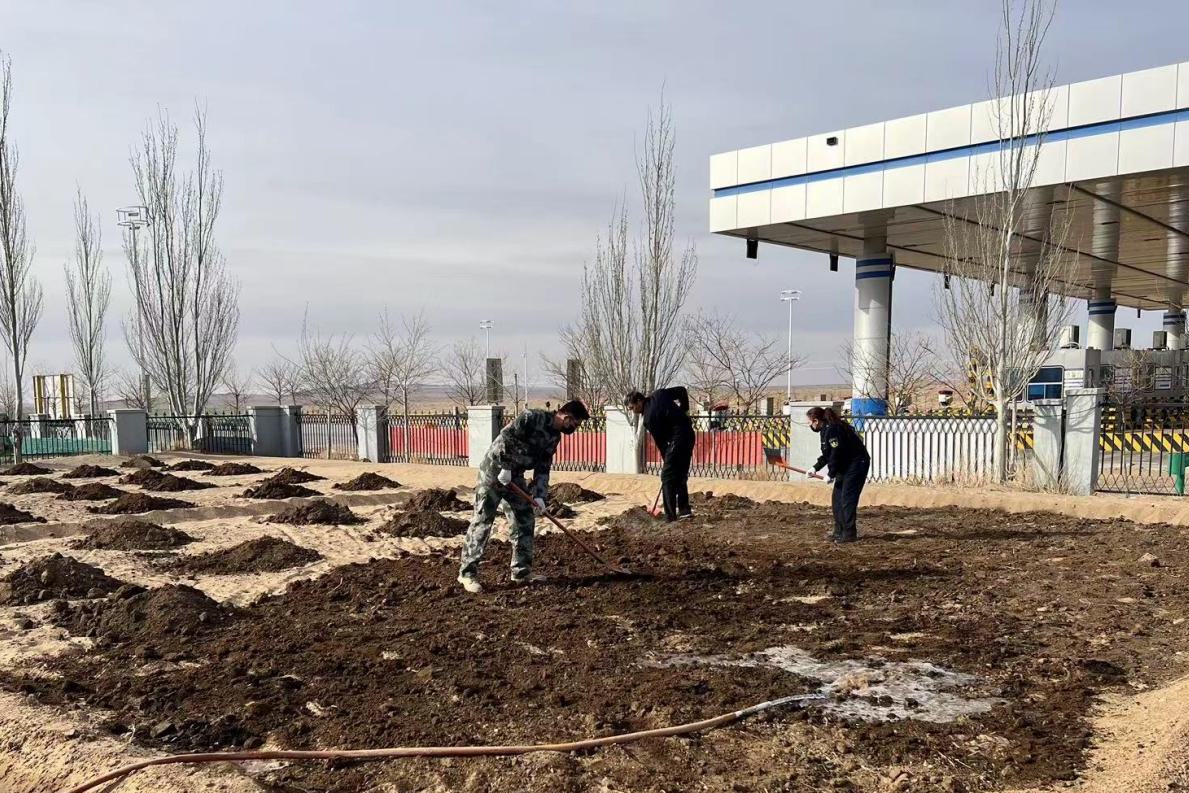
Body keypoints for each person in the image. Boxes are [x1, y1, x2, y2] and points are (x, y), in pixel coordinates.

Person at [457, 399, 590, 593]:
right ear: (567, 417)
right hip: (494, 472)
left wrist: (540, 496)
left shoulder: (554, 437)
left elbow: (543, 467)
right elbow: (507, 437)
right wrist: (505, 466)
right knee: (483, 520)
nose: (575, 429)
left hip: (514, 476)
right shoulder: (532, 417)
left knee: (525, 519)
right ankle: (467, 574)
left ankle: (521, 572)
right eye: (575, 424)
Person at [625, 386, 695, 521]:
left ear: (639, 401)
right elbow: (682, 391)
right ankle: (684, 510)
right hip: (689, 435)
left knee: (667, 477)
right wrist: (684, 411)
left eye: (632, 407)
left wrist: (667, 461)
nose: (633, 411)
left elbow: (662, 443)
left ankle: (670, 515)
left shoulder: (648, 419)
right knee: (680, 473)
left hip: (677, 440)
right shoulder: (659, 394)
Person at [806, 406, 870, 543]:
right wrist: (815, 468)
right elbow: (827, 454)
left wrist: (831, 474)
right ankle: (839, 531)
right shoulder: (825, 431)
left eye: (810, 422)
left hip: (856, 464)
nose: (809, 425)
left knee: (847, 499)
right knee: (837, 499)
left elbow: (836, 453)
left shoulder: (833, 430)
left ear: (816, 421)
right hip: (845, 465)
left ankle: (849, 534)